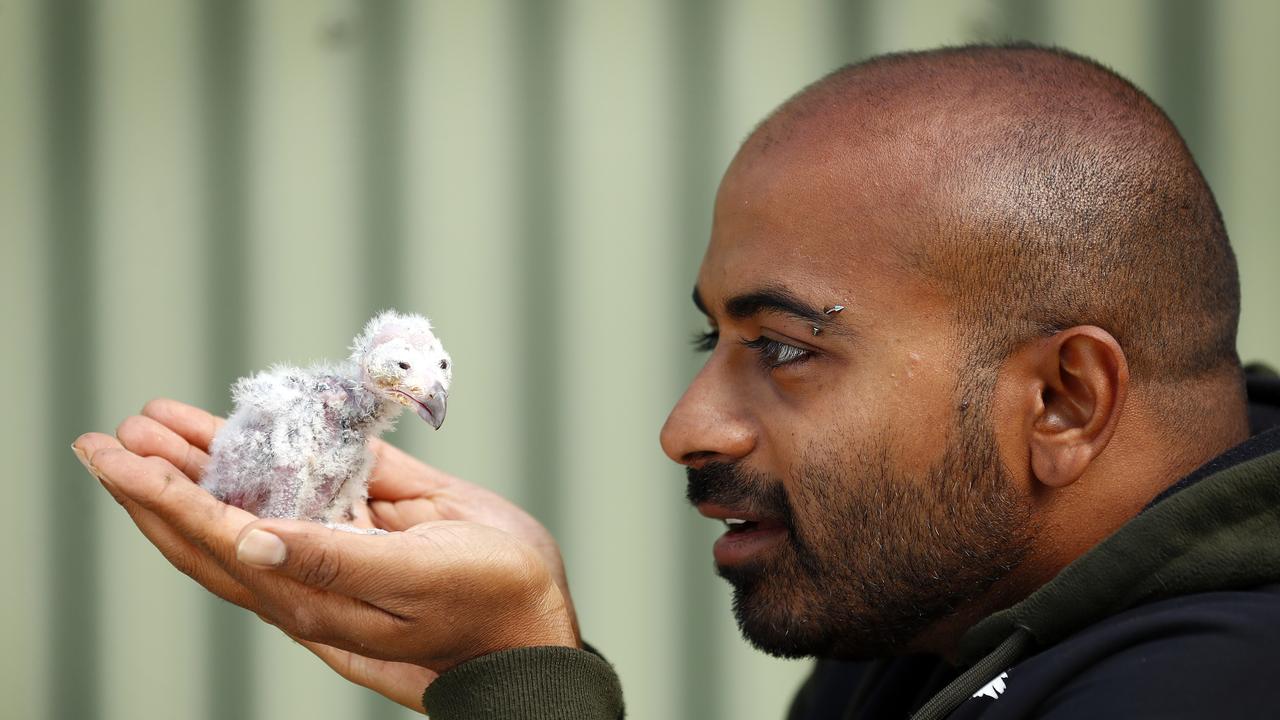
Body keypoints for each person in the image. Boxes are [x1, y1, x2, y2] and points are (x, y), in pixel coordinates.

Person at [72, 43, 1280, 719]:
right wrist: (487, 661)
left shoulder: (1213, 685)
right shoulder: (925, 620)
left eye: (786, 347)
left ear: (1062, 401)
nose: (686, 426)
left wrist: (523, 684)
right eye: (708, 341)